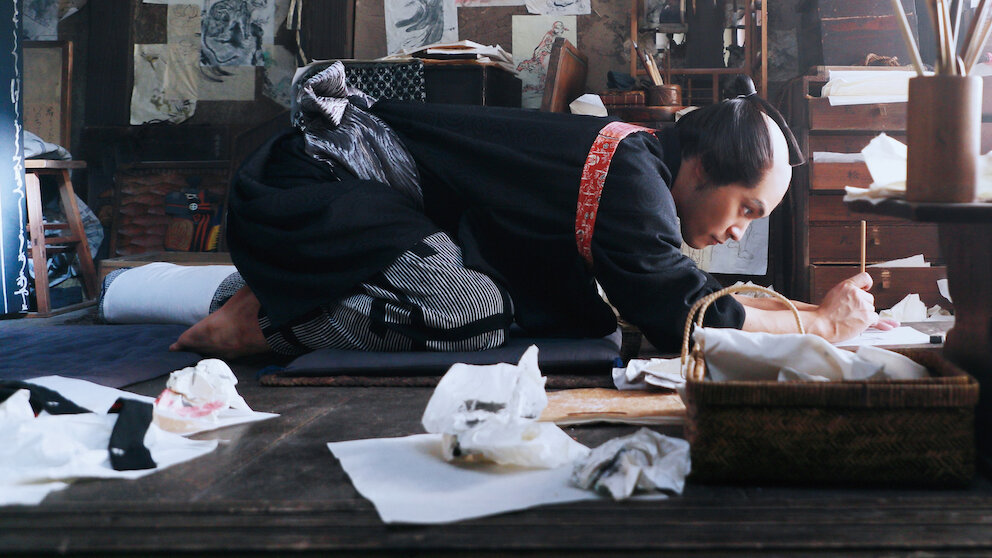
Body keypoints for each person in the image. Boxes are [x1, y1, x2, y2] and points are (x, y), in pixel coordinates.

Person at [171, 63, 895, 359]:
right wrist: (822, 327)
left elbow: (686, 291)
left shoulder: (638, 163)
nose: (739, 230)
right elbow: (685, 315)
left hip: (350, 212)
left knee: (519, 308)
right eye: (746, 208)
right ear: (702, 168)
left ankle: (267, 291)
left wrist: (812, 310)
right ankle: (260, 324)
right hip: (311, 189)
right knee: (473, 312)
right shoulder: (635, 176)